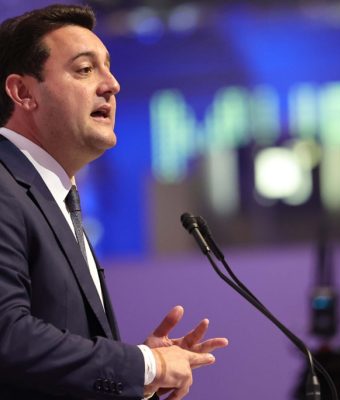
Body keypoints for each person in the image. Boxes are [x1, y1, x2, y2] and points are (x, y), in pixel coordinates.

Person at [0, 4, 228, 400]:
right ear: (23, 92)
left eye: (108, 67)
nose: (112, 85)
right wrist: (145, 365)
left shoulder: (51, 197)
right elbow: (7, 335)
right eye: (85, 69)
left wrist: (136, 376)